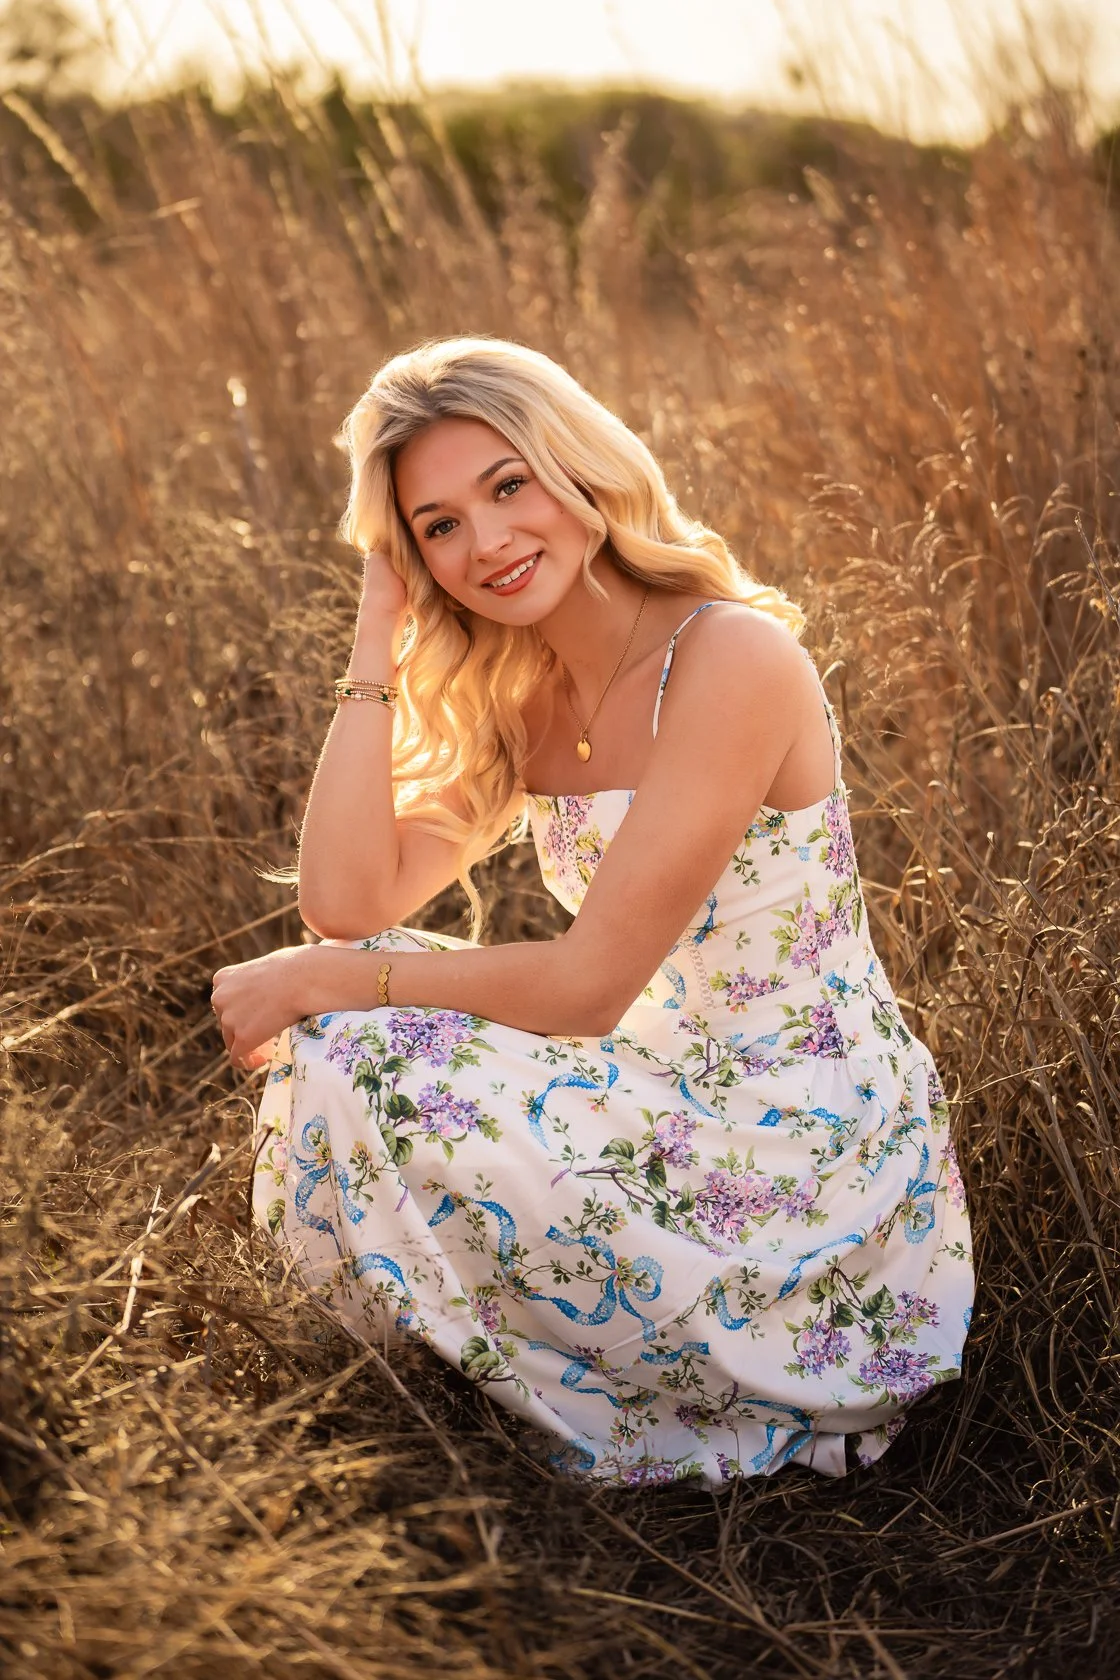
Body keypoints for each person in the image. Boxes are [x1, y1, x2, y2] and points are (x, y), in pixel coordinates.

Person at [211, 335, 974, 1487]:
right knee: (342, 1028)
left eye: (507, 486)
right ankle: (407, 1391)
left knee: (347, 1020)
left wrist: (328, 978)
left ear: (574, 467)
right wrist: (376, 637)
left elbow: (584, 986)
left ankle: (571, 1381)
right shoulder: (526, 695)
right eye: (438, 527)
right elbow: (343, 900)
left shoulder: (730, 659)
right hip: (660, 1082)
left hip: (799, 1142)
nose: (489, 543)